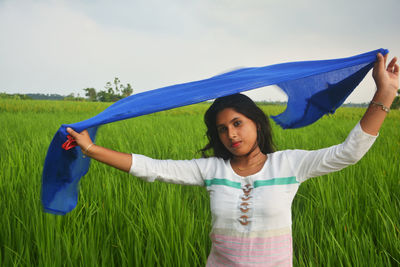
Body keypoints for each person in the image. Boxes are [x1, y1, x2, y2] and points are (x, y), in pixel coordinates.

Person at [67, 53, 399, 266]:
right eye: (222, 129)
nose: (231, 135)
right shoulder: (211, 170)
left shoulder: (289, 165)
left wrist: (384, 94)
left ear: (256, 122)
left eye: (237, 123)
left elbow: (348, 152)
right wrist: (91, 148)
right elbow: (153, 168)